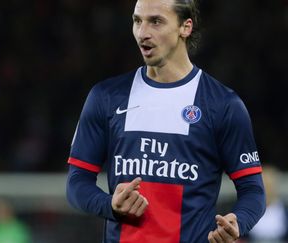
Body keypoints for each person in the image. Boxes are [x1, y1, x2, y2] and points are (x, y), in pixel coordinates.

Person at [66, 0, 266, 242]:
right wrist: (109, 205)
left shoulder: (223, 105)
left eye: (156, 21)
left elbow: (253, 190)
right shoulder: (106, 97)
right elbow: (77, 183)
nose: (143, 33)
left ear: (185, 27)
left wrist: (238, 221)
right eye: (137, 21)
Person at [243, 164, 288, 242]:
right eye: (263, 185)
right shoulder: (246, 211)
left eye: (269, 185)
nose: (266, 189)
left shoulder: (285, 212)